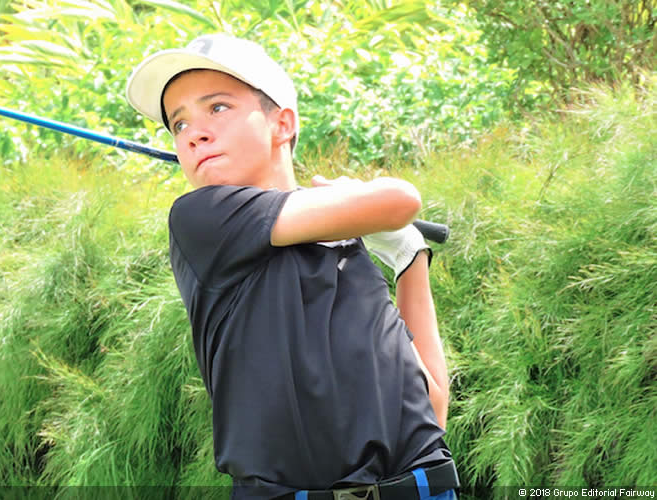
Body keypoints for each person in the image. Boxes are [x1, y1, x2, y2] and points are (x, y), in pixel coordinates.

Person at [125, 34, 460, 500]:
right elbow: (402, 198)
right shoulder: (202, 218)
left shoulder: (350, 253)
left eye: (217, 108)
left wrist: (410, 259)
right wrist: (361, 202)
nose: (194, 132)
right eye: (179, 124)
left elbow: (434, 405)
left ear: (281, 124)